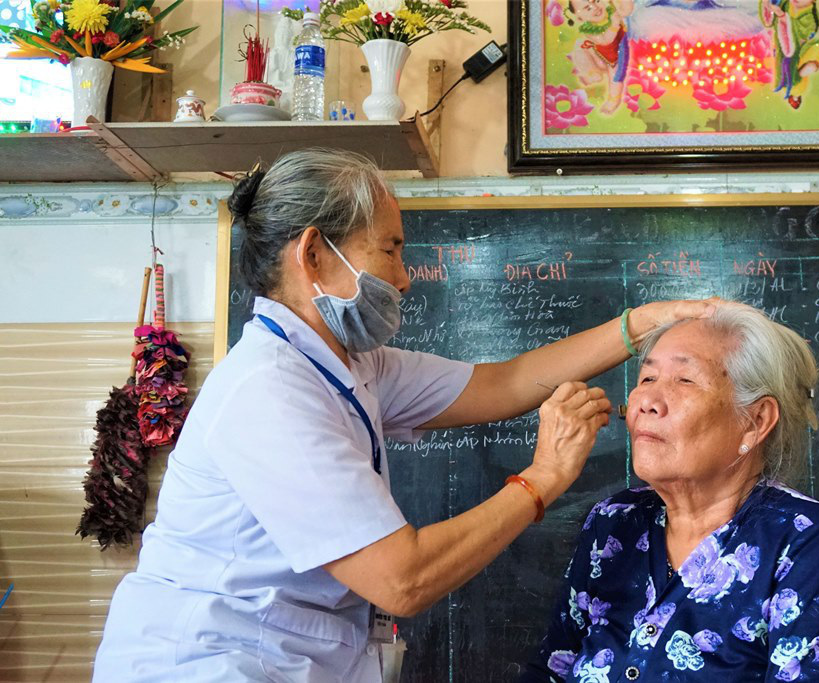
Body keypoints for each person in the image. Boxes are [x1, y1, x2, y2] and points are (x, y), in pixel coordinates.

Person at [92, 148, 715, 682]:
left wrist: (643, 324)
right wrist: (545, 476)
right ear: (314, 254)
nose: (406, 278)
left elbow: (508, 382)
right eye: (390, 249)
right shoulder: (269, 392)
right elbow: (403, 580)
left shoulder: (350, 363)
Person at [520, 301, 819, 681]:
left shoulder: (806, 540)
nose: (648, 402)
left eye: (684, 380)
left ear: (755, 421)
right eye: (647, 379)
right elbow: (552, 668)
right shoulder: (614, 522)